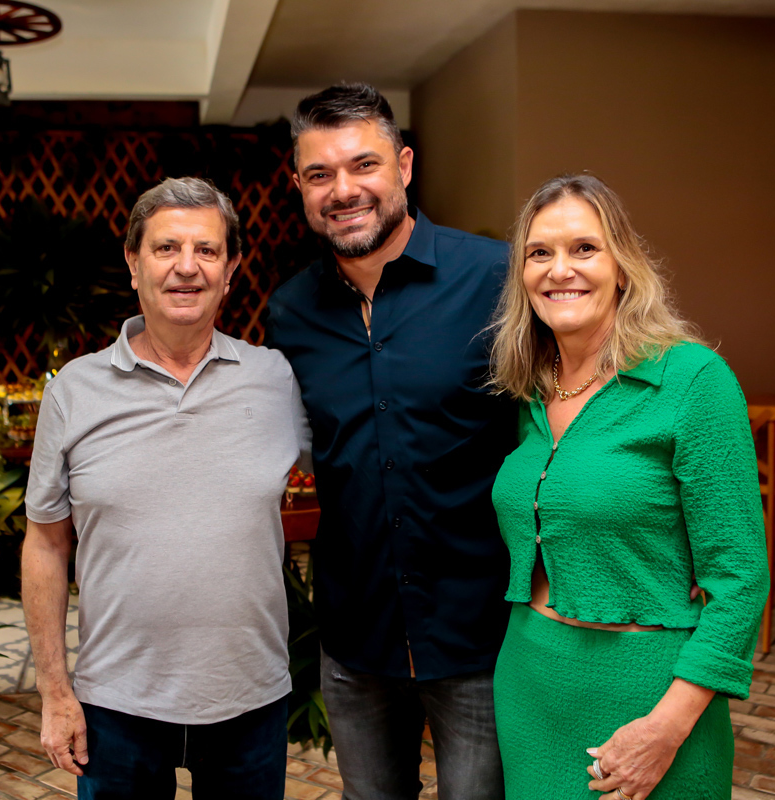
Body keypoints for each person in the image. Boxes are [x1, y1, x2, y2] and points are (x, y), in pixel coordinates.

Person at [22, 176, 312, 800]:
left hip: (249, 701)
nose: (187, 267)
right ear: (134, 263)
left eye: (207, 250)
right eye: (166, 248)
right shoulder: (73, 391)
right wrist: (54, 692)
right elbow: (45, 544)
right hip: (115, 707)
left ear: (231, 269)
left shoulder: (275, 379)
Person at [265, 83, 512, 799]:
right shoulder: (290, 311)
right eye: (319, 174)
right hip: (357, 637)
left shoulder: (497, 278)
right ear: (299, 187)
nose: (343, 190)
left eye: (364, 165)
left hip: (480, 635)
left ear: (404, 166)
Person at [487, 173, 767, 800]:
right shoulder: (531, 390)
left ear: (622, 267)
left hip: (648, 700)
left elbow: (741, 580)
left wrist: (666, 728)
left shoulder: (692, 380)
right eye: (539, 253)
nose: (560, 269)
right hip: (530, 685)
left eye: (585, 248)